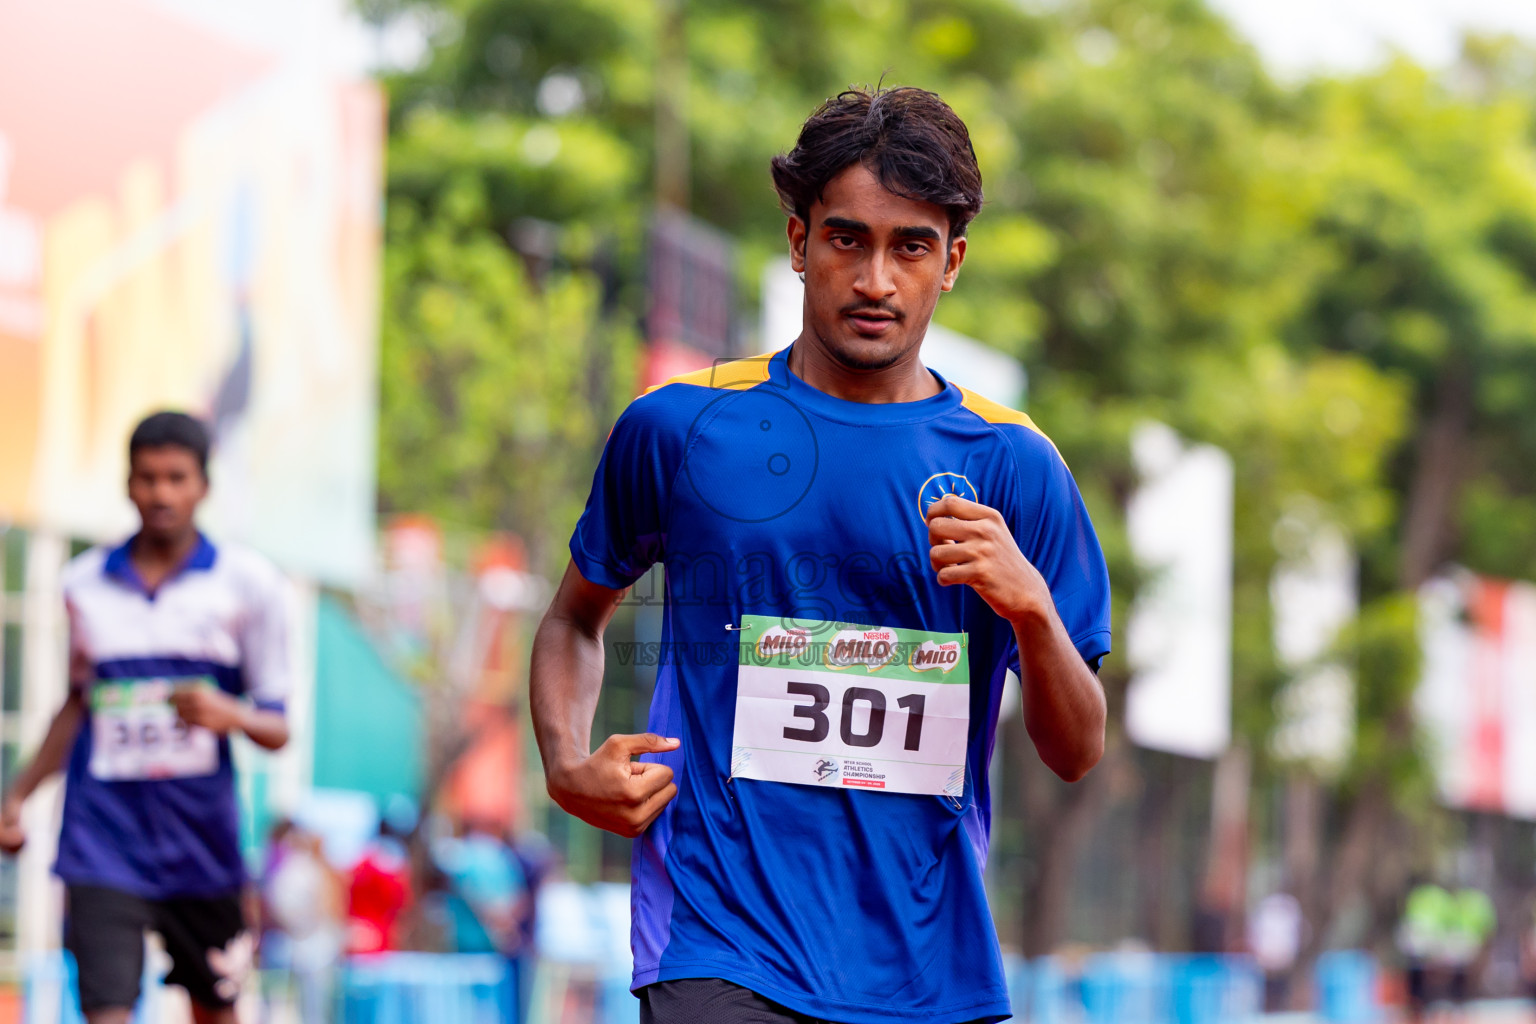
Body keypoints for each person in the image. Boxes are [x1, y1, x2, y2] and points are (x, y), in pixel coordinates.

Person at [530, 86, 1110, 1024]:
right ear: (799, 244)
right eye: (848, 239)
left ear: (950, 263)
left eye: (910, 247)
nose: (876, 279)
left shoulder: (1015, 466)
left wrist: (1034, 611)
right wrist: (564, 758)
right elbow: (574, 616)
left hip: (928, 968)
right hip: (717, 940)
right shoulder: (684, 427)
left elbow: (1076, 748)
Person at [0, 411, 291, 1024]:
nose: (161, 493)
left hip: (203, 850)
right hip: (102, 842)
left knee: (214, 1012)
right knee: (106, 1012)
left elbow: (277, 727)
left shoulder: (248, 585)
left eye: (176, 478)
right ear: (127, 484)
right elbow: (77, 705)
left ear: (203, 486)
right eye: (146, 478)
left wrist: (227, 713)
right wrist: (18, 795)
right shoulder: (84, 585)